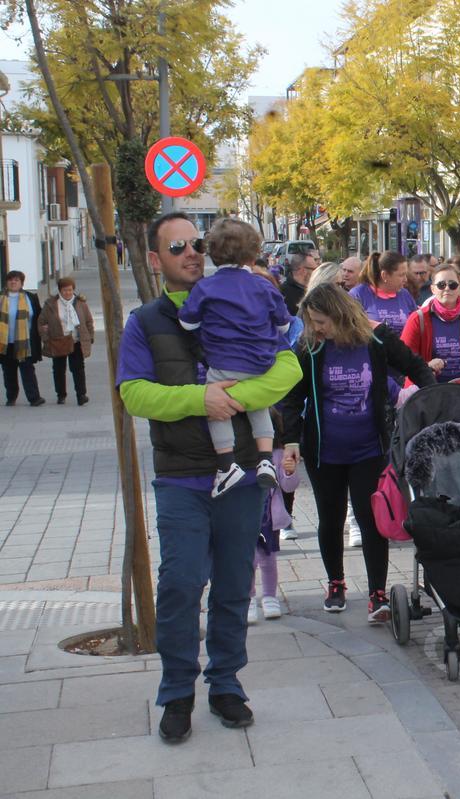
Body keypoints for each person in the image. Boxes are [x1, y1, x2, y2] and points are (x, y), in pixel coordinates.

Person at [116, 211, 301, 742]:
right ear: (155, 261)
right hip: (182, 476)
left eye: (196, 243)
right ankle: (176, 692)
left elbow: (285, 367)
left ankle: (226, 684)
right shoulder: (145, 322)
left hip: (240, 472)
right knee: (179, 585)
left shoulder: (243, 295)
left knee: (231, 585)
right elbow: (134, 393)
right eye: (176, 248)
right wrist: (201, 399)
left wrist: (232, 398)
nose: (191, 253)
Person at [280, 284, 435, 621]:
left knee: (371, 520)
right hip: (325, 451)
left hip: (369, 448)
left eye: (321, 321)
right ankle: (336, 583)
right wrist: (290, 440)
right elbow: (290, 397)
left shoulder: (376, 339)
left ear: (339, 314)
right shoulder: (311, 346)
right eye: (312, 322)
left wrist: (432, 403)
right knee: (331, 519)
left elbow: (417, 367)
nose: (317, 328)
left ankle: (377, 593)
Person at [178, 219, 290, 497]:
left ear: (212, 253)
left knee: (216, 408)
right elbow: (284, 324)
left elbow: (188, 323)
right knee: (259, 405)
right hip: (261, 363)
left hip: (224, 365)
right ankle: (265, 459)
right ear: (253, 254)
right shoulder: (263, 286)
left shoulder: (206, 287)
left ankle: (227, 464)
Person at [400, 263, 460, 384]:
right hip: (427, 392)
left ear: (459, 287)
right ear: (432, 289)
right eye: (441, 285)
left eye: (452, 285)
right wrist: (427, 366)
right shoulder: (417, 319)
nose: (447, 288)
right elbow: (404, 361)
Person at [248, 414, 301, 624]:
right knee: (248, 559)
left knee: (268, 559)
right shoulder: (242, 455)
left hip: (269, 517)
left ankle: (269, 596)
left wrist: (289, 472)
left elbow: (289, 487)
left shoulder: (278, 455)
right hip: (246, 515)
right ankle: (249, 598)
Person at [38, 275, 94, 406]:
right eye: (64, 290)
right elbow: (41, 322)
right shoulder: (51, 304)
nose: (67, 293)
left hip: (76, 340)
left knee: (78, 368)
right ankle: (61, 395)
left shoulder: (80, 303)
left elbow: (88, 321)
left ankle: (81, 395)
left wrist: (90, 337)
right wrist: (45, 337)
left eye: (70, 290)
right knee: (58, 369)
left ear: (73, 289)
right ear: (60, 291)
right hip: (59, 340)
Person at [1, 270, 45, 406]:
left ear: (21, 283)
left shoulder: (30, 297)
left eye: (16, 280)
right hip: (6, 343)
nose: (13, 282)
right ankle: (11, 397)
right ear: (7, 282)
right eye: (10, 280)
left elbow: (39, 316)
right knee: (9, 372)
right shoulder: (2, 298)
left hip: (25, 342)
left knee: (27, 370)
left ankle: (34, 398)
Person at [349, 251, 417, 333]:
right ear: (384, 275)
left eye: (406, 275)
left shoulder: (405, 295)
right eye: (401, 275)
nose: (405, 280)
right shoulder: (358, 294)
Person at [280, 249, 318, 315]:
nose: (317, 273)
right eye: (315, 269)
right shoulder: (282, 294)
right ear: (303, 270)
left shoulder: (316, 289)